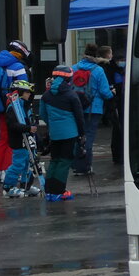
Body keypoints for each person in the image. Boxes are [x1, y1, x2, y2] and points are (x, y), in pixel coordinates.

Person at [38, 66, 84, 202]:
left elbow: (42, 114)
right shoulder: (71, 95)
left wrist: (53, 124)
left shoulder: (46, 96)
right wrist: (81, 133)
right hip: (70, 133)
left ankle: (49, 191)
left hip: (55, 133)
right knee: (64, 162)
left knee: (54, 161)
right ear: (68, 79)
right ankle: (59, 191)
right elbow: (79, 116)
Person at [0, 40, 30, 183]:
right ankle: (8, 171)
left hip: (0, 106)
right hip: (15, 107)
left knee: (3, 139)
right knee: (14, 140)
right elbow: (25, 88)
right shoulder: (17, 66)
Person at [71, 43, 114, 175]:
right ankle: (86, 166)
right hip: (93, 109)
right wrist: (113, 93)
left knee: (77, 136)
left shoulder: (74, 68)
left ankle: (76, 166)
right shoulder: (98, 70)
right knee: (88, 137)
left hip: (77, 107)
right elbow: (105, 92)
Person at [2, 81, 41, 198]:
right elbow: (12, 125)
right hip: (18, 141)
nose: (29, 94)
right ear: (19, 93)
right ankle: (8, 187)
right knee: (18, 165)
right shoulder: (13, 107)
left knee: (28, 164)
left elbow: (29, 120)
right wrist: (28, 128)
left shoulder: (25, 105)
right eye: (26, 92)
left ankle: (26, 186)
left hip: (28, 140)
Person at [101, 45, 125, 165]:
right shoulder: (110, 69)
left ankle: (119, 155)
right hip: (115, 103)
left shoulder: (110, 68)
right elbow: (113, 86)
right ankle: (118, 156)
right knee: (118, 130)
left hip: (115, 102)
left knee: (118, 130)